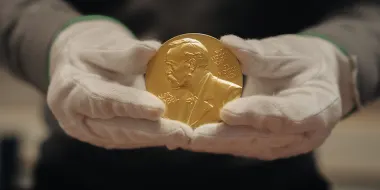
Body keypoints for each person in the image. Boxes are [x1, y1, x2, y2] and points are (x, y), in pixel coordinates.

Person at [1, 0, 379, 189]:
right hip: (79, 171)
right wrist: (52, 36)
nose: (175, 68)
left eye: (183, 66)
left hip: (274, 170)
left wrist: (340, 55)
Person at [164, 37, 242, 127]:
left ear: (191, 64)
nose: (167, 71)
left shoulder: (230, 94)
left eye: (171, 65)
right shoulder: (180, 101)